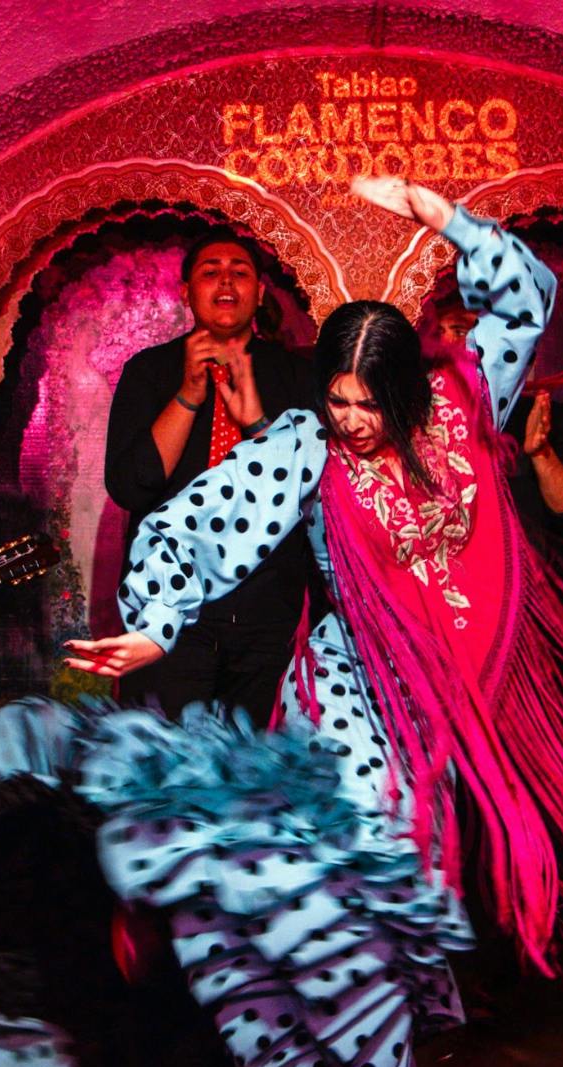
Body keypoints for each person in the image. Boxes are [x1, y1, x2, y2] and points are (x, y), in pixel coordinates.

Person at [0, 177, 563, 1067]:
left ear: (409, 389)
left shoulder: (467, 397)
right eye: (338, 400)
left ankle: (372, 1035)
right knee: (361, 867)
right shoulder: (303, 445)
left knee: (414, 879)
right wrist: (154, 623)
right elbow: (192, 523)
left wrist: (441, 219)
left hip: (450, 695)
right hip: (356, 685)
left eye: (365, 403)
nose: (350, 420)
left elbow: (526, 292)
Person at [104, 230, 315, 725]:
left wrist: (259, 424)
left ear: (260, 293)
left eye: (240, 271)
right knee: (164, 769)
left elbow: (306, 494)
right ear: (186, 292)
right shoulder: (149, 371)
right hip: (171, 613)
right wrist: (189, 394)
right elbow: (131, 486)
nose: (226, 281)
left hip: (264, 613)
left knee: (247, 778)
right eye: (210, 271)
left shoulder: (295, 376)